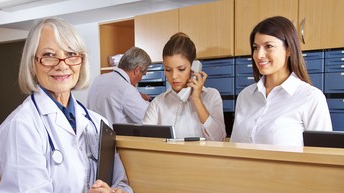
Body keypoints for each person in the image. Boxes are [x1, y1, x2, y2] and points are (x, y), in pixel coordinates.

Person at [0, 17, 134, 193]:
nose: (62, 64)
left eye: (71, 54)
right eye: (49, 55)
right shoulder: (21, 126)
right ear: (32, 63)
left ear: (81, 61)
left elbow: (121, 184)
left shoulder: (98, 123)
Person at [230, 16, 332, 146]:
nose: (259, 55)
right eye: (256, 47)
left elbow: (322, 156)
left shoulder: (311, 97)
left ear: (288, 49)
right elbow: (234, 148)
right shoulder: (245, 96)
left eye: (269, 46)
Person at [142, 32, 226, 141]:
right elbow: (143, 143)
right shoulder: (158, 103)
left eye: (181, 69)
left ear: (194, 67)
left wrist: (197, 100)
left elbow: (219, 139)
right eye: (168, 70)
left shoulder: (211, 96)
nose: (174, 76)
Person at [87, 47, 152, 125]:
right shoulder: (127, 89)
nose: (141, 79)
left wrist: (138, 97)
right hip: (115, 136)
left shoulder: (98, 79)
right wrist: (147, 101)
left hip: (94, 134)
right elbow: (149, 118)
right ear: (137, 70)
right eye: (143, 74)